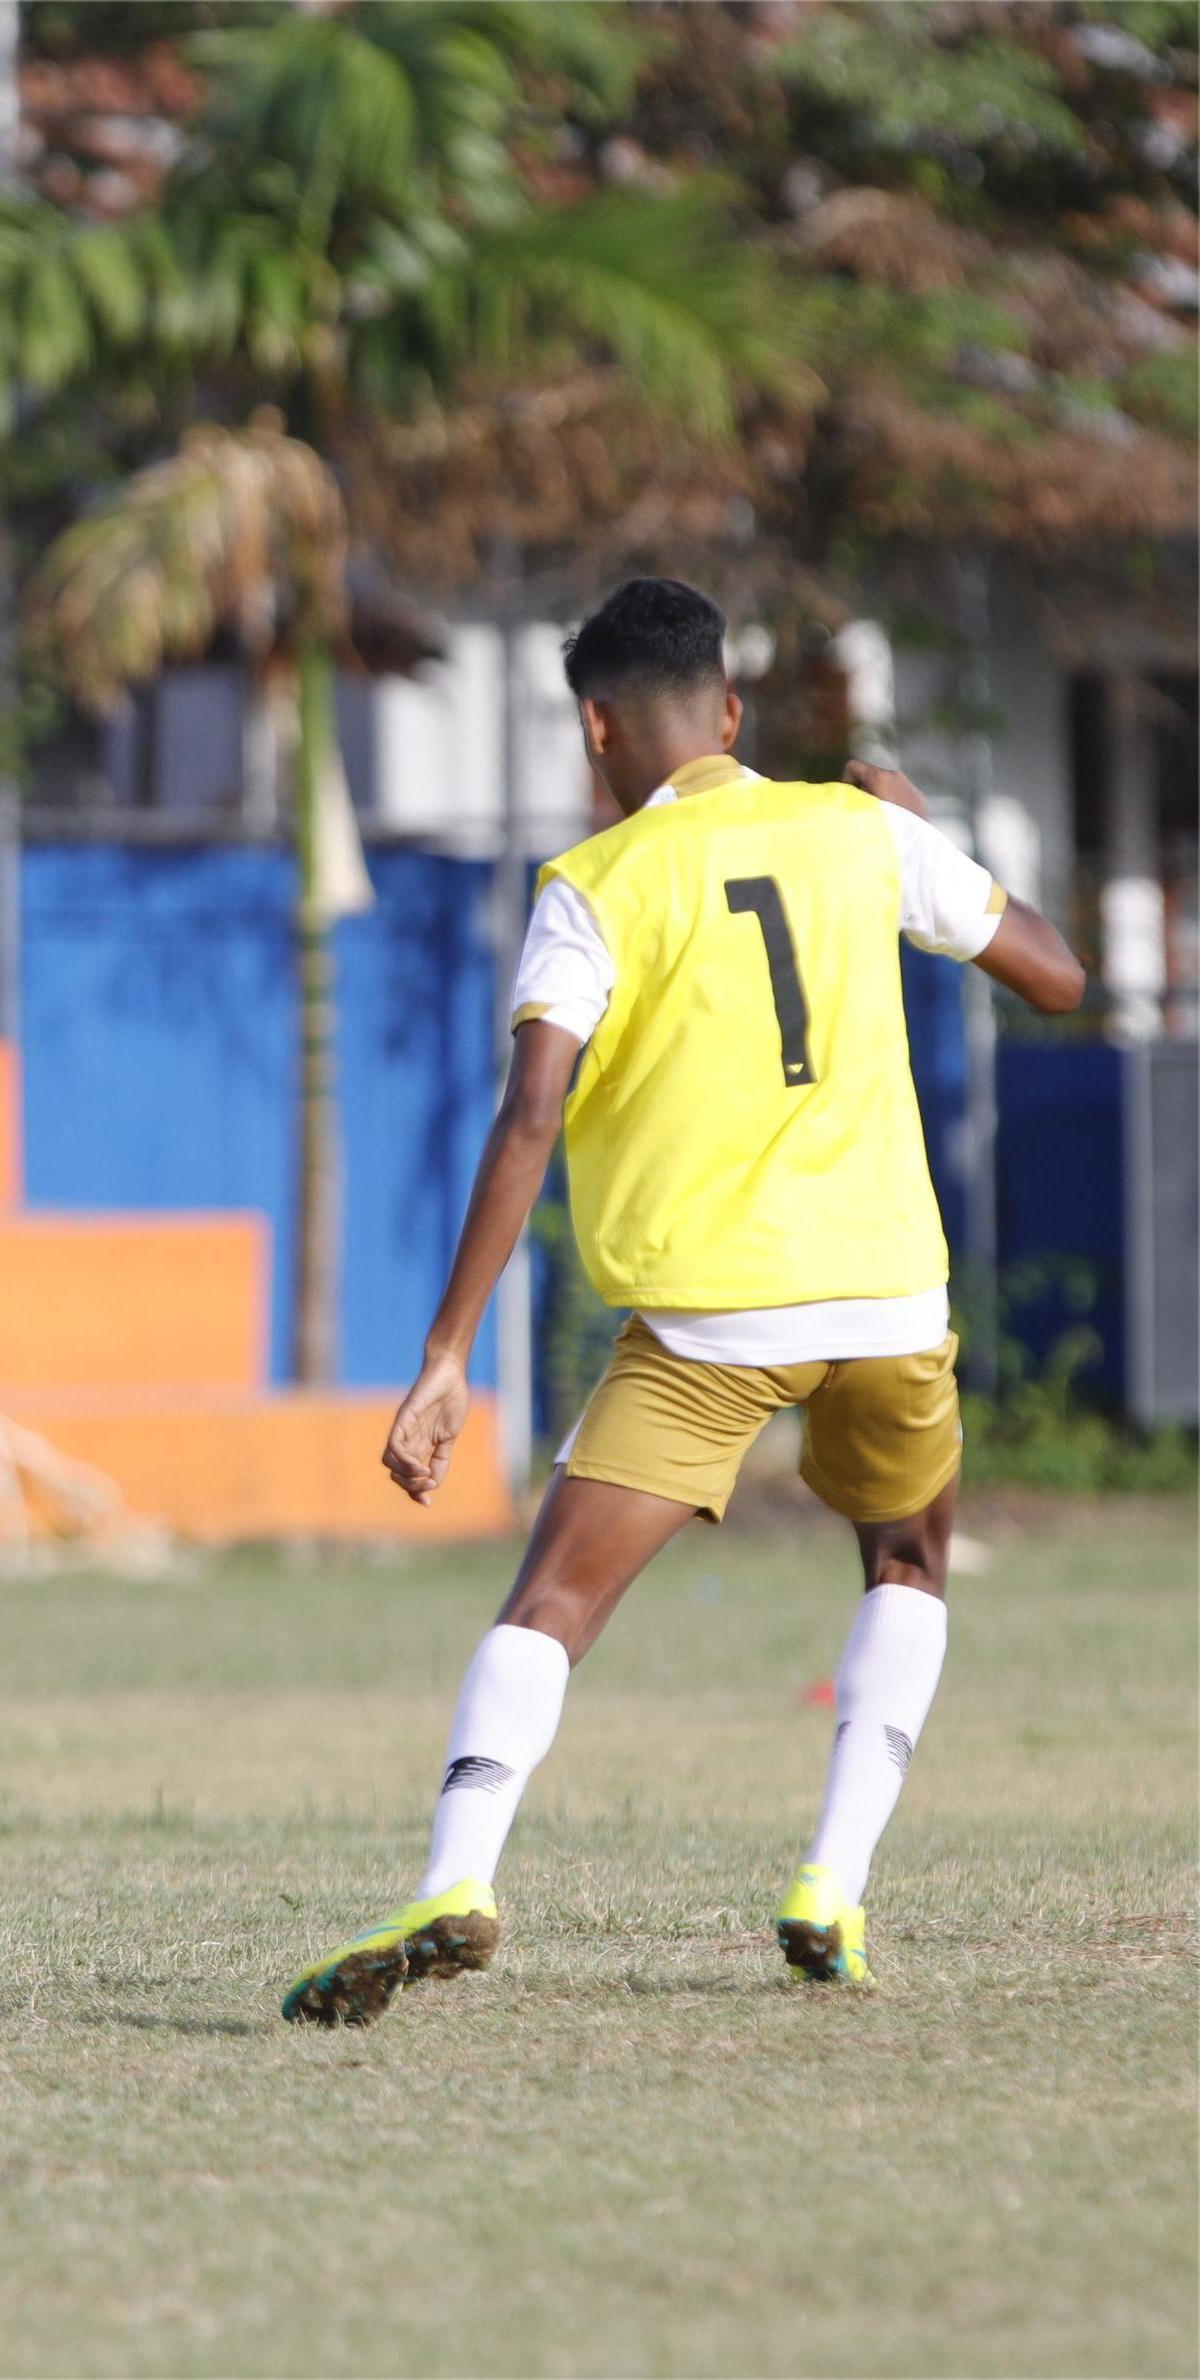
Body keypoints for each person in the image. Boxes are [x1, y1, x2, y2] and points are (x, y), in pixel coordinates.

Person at [284, 576, 1086, 2026]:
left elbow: (532, 1111)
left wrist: (448, 1351)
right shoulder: (858, 831)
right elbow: (1059, 974)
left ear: (597, 730)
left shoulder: (593, 887)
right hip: (888, 1302)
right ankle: (830, 1884)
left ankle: (458, 1879)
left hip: (711, 1320)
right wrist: (912, 817)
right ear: (730, 710)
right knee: (905, 1567)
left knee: (551, 1604)